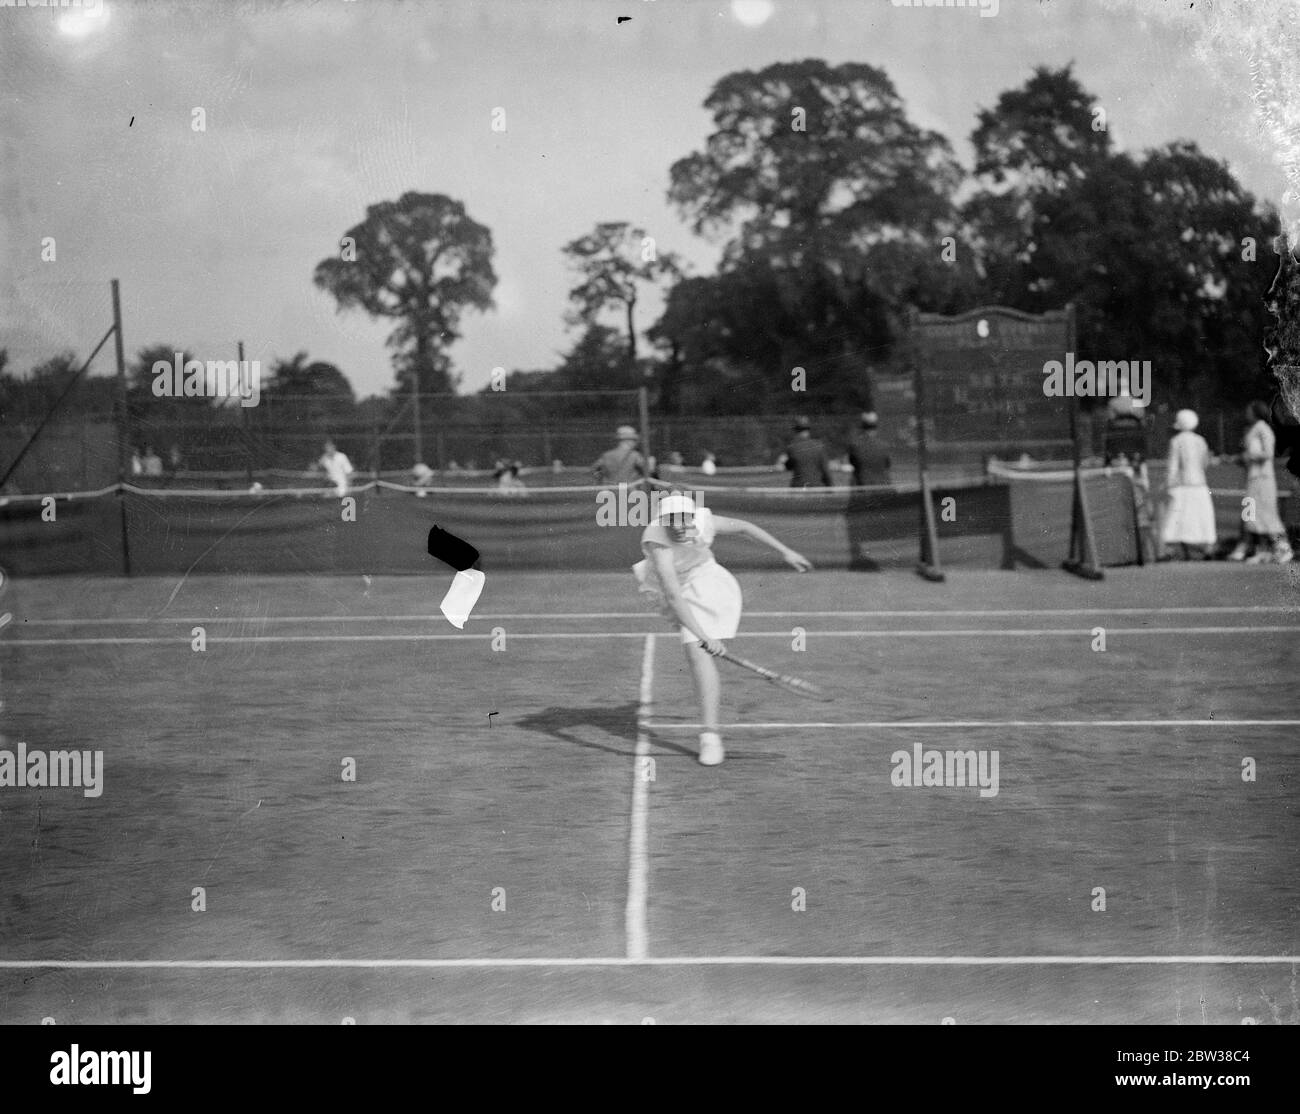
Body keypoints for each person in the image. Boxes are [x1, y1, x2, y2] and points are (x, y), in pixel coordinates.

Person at [632, 494, 812, 766]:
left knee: (695, 652)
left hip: (705, 578)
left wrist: (785, 551)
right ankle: (710, 732)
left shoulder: (705, 521)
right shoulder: (656, 539)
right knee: (697, 644)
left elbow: (745, 527)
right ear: (662, 520)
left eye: (684, 519)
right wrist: (705, 637)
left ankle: (710, 736)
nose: (679, 526)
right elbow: (672, 594)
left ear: (693, 517)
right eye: (671, 520)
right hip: (671, 587)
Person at [1227, 400, 1294, 563]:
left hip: (1263, 479)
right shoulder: (1253, 430)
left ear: (1256, 412)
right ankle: (1262, 551)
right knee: (1253, 516)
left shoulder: (1263, 429)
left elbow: (1268, 453)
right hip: (1254, 478)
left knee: (1267, 515)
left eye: (1249, 411)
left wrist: (1248, 456)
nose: (1246, 414)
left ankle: (1284, 548)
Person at [1159, 409, 1216, 560]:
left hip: (1181, 485)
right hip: (1200, 485)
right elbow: (1205, 463)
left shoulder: (1176, 441)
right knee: (1201, 518)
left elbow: (1172, 466)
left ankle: (1169, 549)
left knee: (1176, 517)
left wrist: (1168, 484)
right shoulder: (1201, 440)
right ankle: (1207, 548)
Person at [783, 417, 832, 488]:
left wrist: (785, 462)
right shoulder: (819, 446)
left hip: (798, 488)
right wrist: (831, 487)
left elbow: (789, 467)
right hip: (817, 487)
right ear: (808, 430)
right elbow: (825, 470)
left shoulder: (792, 447)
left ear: (796, 431)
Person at [846, 412, 891, 487]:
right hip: (883, 488)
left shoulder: (855, 446)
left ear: (862, 427)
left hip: (863, 488)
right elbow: (887, 465)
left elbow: (853, 463)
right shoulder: (884, 446)